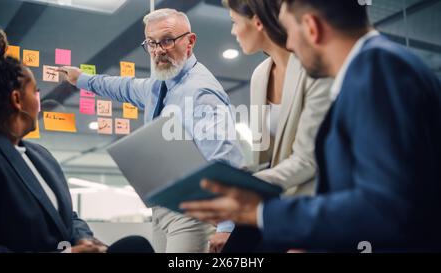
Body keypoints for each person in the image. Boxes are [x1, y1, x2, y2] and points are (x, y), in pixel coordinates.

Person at [181, 0, 441, 252]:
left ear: (312, 27)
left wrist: (261, 213)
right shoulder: (376, 67)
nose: (290, 43)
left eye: (289, 30)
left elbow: (384, 208)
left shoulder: (375, 72)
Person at [58, 8, 244, 253]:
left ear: (190, 41)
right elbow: (123, 87)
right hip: (162, 208)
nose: (158, 50)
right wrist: (81, 79)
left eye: (167, 40)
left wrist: (226, 225)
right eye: (151, 43)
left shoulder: (201, 92)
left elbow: (224, 157)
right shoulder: (160, 84)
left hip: (193, 212)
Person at [209, 0, 332, 253]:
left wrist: (241, 188)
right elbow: (265, 157)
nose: (233, 31)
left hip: (309, 200)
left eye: (234, 22)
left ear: (257, 22)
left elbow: (309, 160)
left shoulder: (314, 70)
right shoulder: (259, 75)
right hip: (270, 200)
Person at [0, 28, 107, 253]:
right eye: (36, 91)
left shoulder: (41, 156)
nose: (39, 100)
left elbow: (68, 217)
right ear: (17, 99)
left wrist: (83, 239)